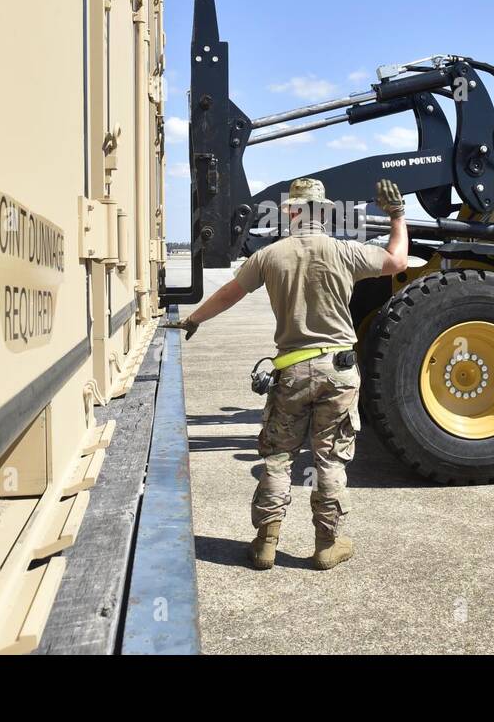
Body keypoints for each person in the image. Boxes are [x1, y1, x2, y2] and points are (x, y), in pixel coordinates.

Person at [164, 178, 408, 571]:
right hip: (339, 370)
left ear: (291, 212)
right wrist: (397, 216)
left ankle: (265, 544)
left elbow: (230, 293)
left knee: (278, 458)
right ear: (323, 212)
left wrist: (194, 319)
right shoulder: (345, 252)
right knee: (329, 459)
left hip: (291, 370)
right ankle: (326, 545)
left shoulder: (269, 256)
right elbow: (397, 262)